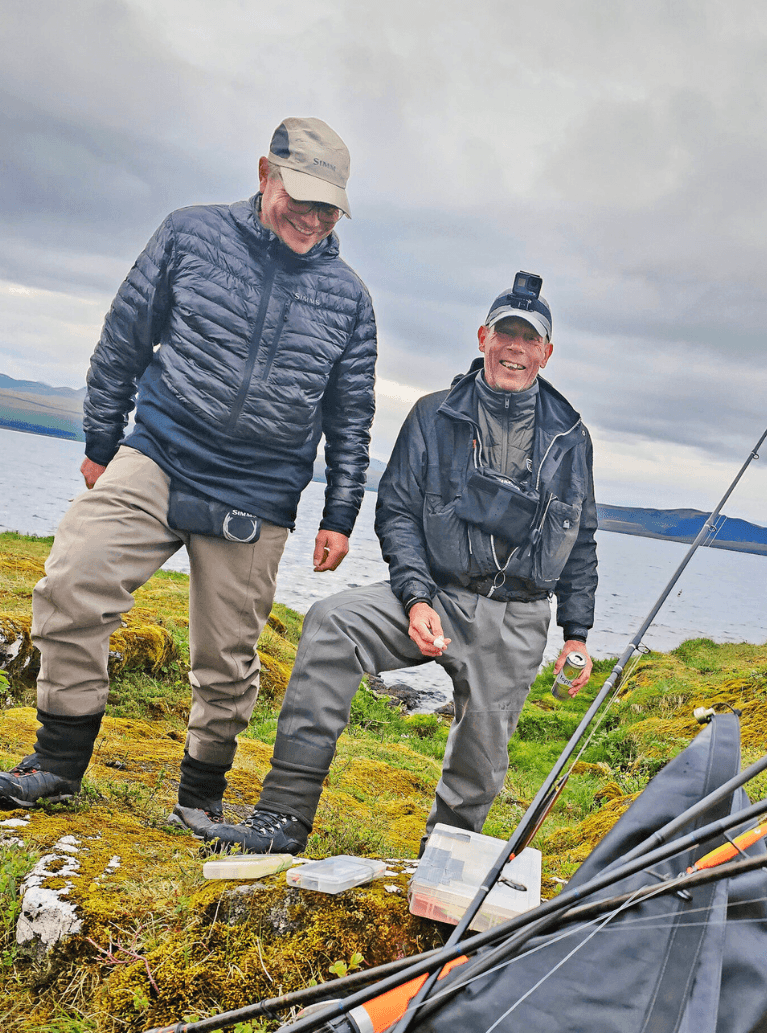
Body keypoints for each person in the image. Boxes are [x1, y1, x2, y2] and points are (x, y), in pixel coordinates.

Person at [0, 118, 377, 834]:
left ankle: (200, 799)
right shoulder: (189, 234)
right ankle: (56, 765)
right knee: (72, 580)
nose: (313, 218)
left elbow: (351, 416)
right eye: (302, 197)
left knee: (227, 663)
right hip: (159, 449)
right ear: (264, 173)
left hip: (258, 492)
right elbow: (125, 335)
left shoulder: (350, 299)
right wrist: (102, 438)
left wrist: (340, 515)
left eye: (329, 207)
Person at [205, 272, 597, 855]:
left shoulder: (571, 436)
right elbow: (396, 513)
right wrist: (415, 599)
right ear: (484, 336)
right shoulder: (432, 415)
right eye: (506, 334)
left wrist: (577, 634)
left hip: (515, 617)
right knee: (332, 623)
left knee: (482, 762)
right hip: (433, 594)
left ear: (546, 352)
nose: (515, 349)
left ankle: (440, 863)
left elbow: (582, 537)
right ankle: (281, 819)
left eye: (528, 339)